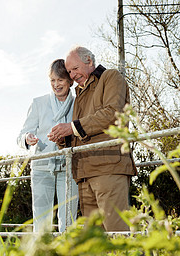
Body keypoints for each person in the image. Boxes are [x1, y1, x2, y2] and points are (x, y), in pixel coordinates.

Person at [48, 46, 137, 232]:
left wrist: (70, 127)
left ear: (89, 61)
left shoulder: (111, 77)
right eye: (69, 71)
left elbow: (112, 113)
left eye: (75, 68)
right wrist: (61, 138)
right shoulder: (80, 93)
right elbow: (79, 130)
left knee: (117, 233)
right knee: (95, 240)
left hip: (108, 168)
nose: (72, 75)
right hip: (84, 174)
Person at [17, 59, 78, 233]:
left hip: (68, 168)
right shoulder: (38, 103)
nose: (56, 85)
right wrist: (27, 138)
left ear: (70, 81)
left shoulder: (78, 103)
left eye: (60, 80)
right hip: (42, 168)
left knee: (68, 220)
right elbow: (21, 136)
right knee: (41, 221)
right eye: (52, 80)